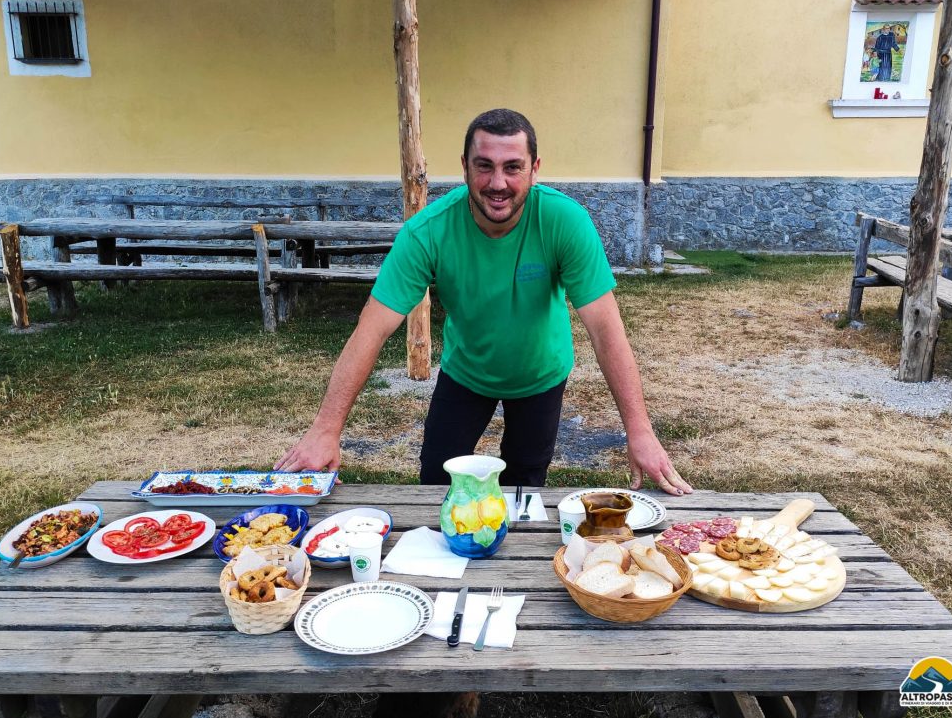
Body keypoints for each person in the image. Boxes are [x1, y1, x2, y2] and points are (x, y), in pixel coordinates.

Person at [274, 108, 693, 495]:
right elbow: (372, 329)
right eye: (484, 166)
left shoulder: (566, 221)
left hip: (540, 373)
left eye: (513, 167)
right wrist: (326, 429)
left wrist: (639, 432)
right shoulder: (427, 232)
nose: (498, 183)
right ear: (464, 167)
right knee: (436, 484)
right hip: (466, 372)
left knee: (524, 489)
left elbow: (606, 331)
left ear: (535, 170)